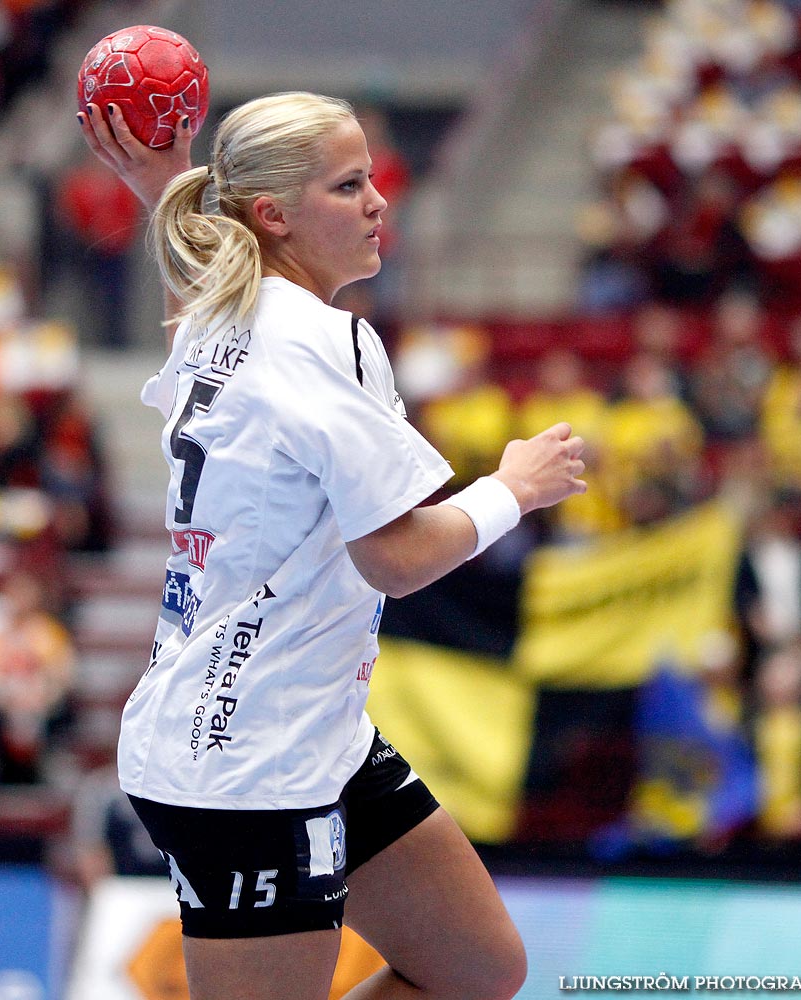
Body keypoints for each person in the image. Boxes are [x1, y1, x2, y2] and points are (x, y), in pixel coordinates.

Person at [77, 89, 586, 1000]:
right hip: (245, 764)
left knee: (476, 968)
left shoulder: (221, 312)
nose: (379, 201)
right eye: (349, 186)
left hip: (311, 733)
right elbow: (392, 557)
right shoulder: (322, 339)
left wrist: (160, 184)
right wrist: (512, 489)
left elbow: (195, 280)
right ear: (272, 216)